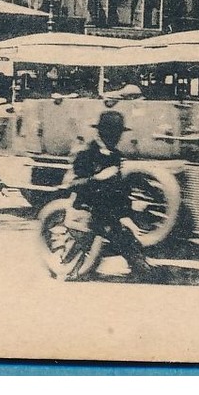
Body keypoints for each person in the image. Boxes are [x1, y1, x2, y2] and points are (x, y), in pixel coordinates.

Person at [68, 109, 159, 281]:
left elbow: (120, 189)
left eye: (117, 132)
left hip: (109, 215)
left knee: (139, 259)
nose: (115, 137)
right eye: (111, 131)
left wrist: (129, 211)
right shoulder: (86, 154)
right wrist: (98, 178)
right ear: (101, 132)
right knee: (76, 270)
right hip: (87, 213)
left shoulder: (116, 156)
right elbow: (74, 185)